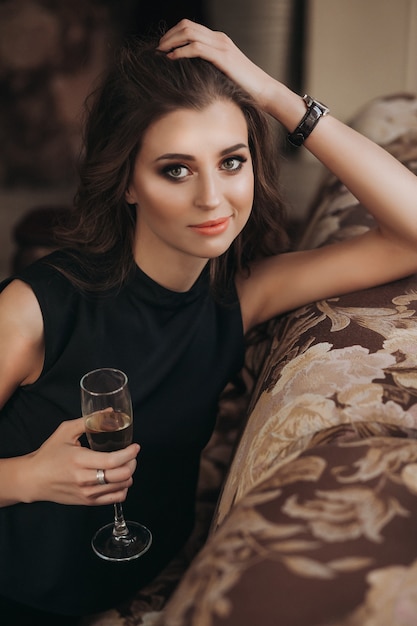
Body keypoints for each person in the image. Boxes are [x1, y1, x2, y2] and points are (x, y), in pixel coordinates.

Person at [1, 18, 417, 625]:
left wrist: (273, 95)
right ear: (128, 184)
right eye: (175, 169)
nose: (213, 199)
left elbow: (410, 234)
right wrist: (28, 477)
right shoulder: (34, 309)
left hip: (140, 577)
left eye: (231, 161)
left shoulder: (243, 293)